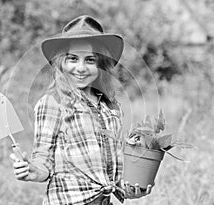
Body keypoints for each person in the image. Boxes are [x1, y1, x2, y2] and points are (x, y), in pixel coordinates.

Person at [10, 15, 152, 205]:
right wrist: (34, 171)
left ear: (100, 65)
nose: (81, 68)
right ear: (62, 62)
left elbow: (109, 166)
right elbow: (43, 158)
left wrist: (129, 188)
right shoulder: (53, 103)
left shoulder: (110, 107)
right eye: (73, 59)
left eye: (90, 60)